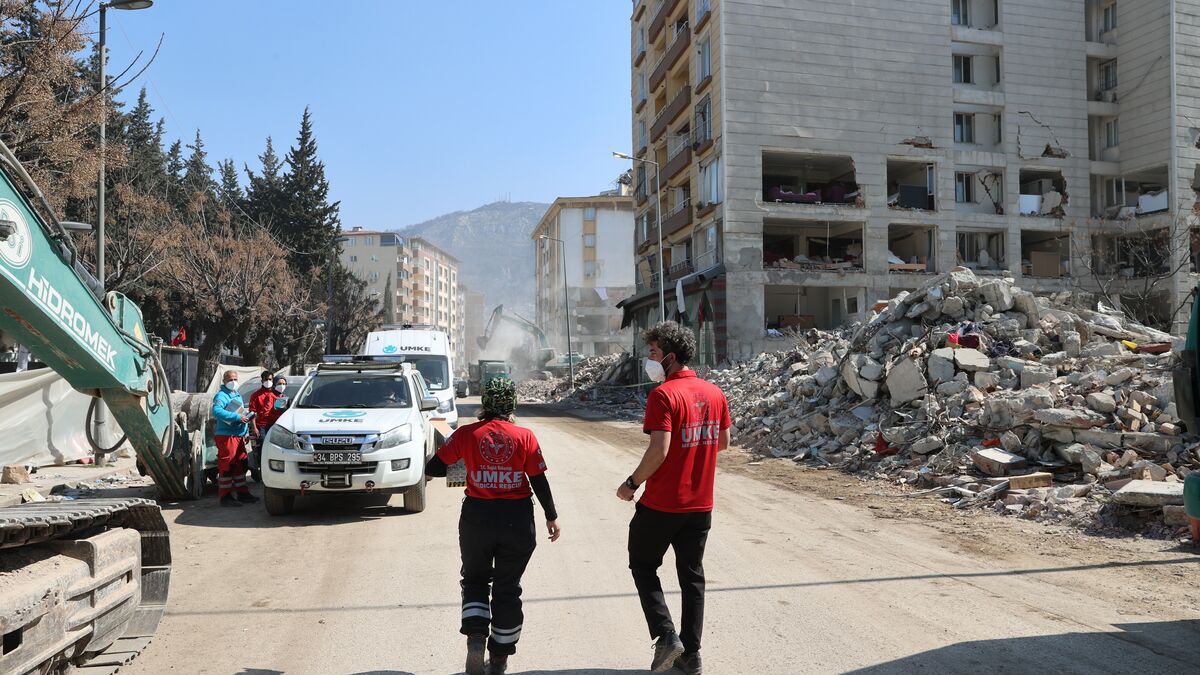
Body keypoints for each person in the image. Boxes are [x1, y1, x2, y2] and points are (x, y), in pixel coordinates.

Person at [616, 321, 731, 675]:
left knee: (643, 565)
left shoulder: (663, 395)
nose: (649, 360)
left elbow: (659, 449)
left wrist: (632, 482)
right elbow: (724, 442)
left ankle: (666, 636)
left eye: (653, 353)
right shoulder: (715, 393)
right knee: (692, 576)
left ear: (670, 356)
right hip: (701, 505)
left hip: (663, 503)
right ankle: (691, 656)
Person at [425, 378, 561, 675]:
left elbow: (432, 467)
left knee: (475, 580)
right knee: (507, 588)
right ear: (512, 404)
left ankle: (476, 636)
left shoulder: (466, 434)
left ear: (485, 404)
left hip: (478, 517)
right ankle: (499, 657)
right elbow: (539, 479)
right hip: (517, 519)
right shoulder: (525, 436)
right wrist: (551, 516)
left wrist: (464, 464)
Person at [211, 370, 258, 507]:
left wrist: (247, 424)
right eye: (231, 379)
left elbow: (241, 412)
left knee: (240, 464)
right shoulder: (221, 395)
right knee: (227, 466)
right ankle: (225, 496)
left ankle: (242, 492)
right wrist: (238, 417)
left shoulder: (236, 394)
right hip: (227, 435)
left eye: (235, 379)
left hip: (238, 435)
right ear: (225, 381)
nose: (234, 382)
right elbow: (217, 411)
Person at [248, 374, 288, 478]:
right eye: (279, 383)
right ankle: (262, 472)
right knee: (263, 449)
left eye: (284, 384)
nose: (282, 386)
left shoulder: (282, 397)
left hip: (277, 427)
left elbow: (281, 413)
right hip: (263, 426)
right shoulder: (267, 395)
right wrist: (254, 427)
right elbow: (263, 413)